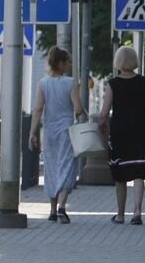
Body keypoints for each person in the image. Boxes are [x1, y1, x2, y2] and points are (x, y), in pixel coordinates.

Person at [99, 46, 145, 225]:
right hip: (142, 130)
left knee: (120, 174)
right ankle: (137, 212)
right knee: (139, 171)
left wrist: (101, 127)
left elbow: (104, 113)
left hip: (119, 132)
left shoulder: (113, 84)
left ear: (118, 62)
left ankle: (120, 214)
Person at [29, 46, 83, 224]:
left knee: (51, 168)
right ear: (61, 63)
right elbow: (78, 109)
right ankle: (61, 207)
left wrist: (32, 133)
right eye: (68, 61)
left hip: (49, 131)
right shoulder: (71, 83)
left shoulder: (43, 83)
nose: (69, 64)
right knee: (67, 167)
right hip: (67, 131)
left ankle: (52, 210)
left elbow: (37, 109)